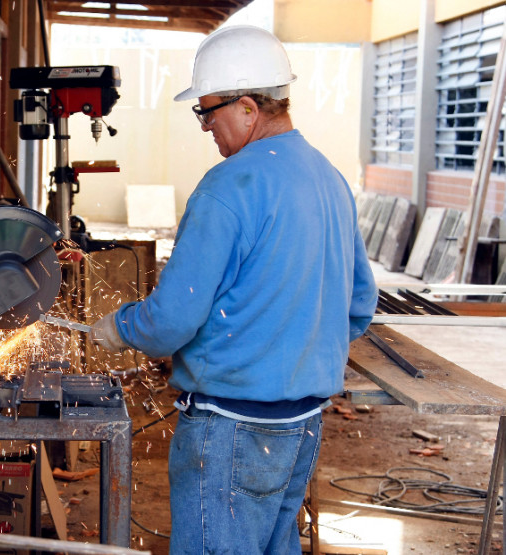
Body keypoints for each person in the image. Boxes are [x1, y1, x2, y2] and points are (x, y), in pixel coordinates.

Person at [90, 25, 378, 554]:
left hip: (231, 427)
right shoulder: (329, 178)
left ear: (247, 108)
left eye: (207, 112)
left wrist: (121, 326)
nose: (205, 127)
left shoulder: (228, 187)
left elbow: (172, 320)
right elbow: (358, 307)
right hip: (303, 424)